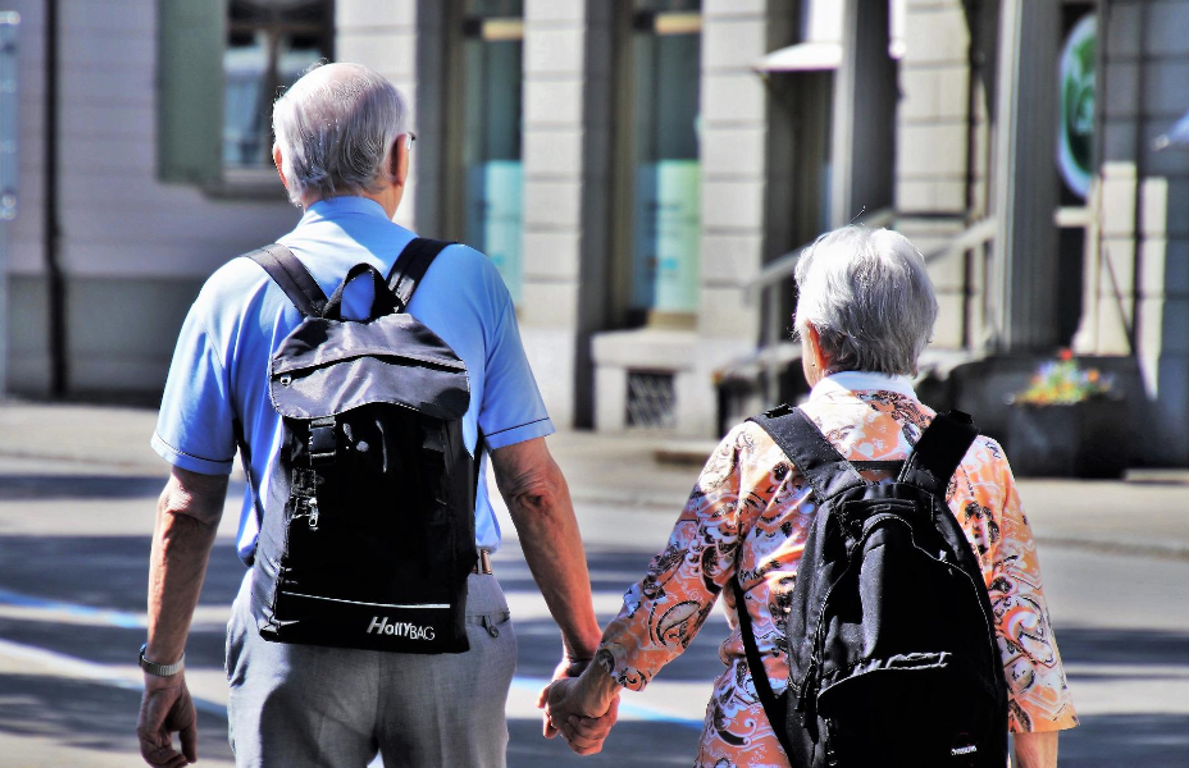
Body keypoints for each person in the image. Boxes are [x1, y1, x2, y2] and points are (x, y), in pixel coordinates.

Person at [136, 62, 616, 768]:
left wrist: (164, 668)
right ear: (398, 156)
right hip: (448, 623)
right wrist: (583, 650)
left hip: (294, 628)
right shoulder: (470, 279)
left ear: (280, 164)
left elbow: (189, 505)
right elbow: (532, 487)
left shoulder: (231, 293)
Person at [541, 225, 1078, 767]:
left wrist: (589, 693)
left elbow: (672, 599)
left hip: (766, 743)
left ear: (815, 341)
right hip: (935, 746)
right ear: (918, 343)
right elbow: (1025, 642)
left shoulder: (758, 451)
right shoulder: (978, 460)